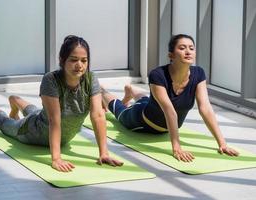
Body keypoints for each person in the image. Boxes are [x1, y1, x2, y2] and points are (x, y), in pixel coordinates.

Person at [0, 35, 123, 172]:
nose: (79, 65)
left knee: (38, 111)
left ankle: (16, 100)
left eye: (84, 60)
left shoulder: (90, 79)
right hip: (33, 132)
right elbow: (54, 119)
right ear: (62, 60)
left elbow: (97, 115)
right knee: (6, 124)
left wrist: (104, 153)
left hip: (48, 121)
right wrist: (56, 158)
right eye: (73, 59)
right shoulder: (50, 80)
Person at [101, 34, 239, 162]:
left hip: (153, 107)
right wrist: (176, 147)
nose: (188, 51)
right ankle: (101, 91)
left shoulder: (199, 74)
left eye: (191, 48)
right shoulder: (157, 74)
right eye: (182, 48)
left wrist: (223, 144)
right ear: (171, 55)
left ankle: (131, 90)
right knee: (118, 109)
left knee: (147, 100)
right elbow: (169, 110)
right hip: (141, 121)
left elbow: (205, 108)